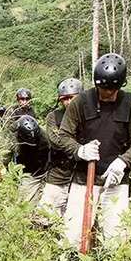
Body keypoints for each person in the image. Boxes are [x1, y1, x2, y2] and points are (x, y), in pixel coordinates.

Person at [57, 53, 131, 249]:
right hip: (84, 179)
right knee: (72, 237)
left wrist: (123, 162)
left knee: (116, 239)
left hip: (116, 181)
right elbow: (64, 135)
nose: (109, 93)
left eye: (113, 89)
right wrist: (79, 150)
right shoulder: (80, 103)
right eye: (104, 89)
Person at [35, 78, 84, 225]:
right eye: (65, 99)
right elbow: (55, 140)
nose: (68, 102)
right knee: (44, 215)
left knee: (77, 219)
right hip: (59, 172)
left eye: (72, 98)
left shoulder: (88, 115)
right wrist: (78, 147)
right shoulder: (54, 116)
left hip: (81, 174)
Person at [5, 115, 49, 203]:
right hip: (22, 163)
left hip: (38, 168)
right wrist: (7, 168)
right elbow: (6, 154)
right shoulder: (13, 136)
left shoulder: (44, 139)